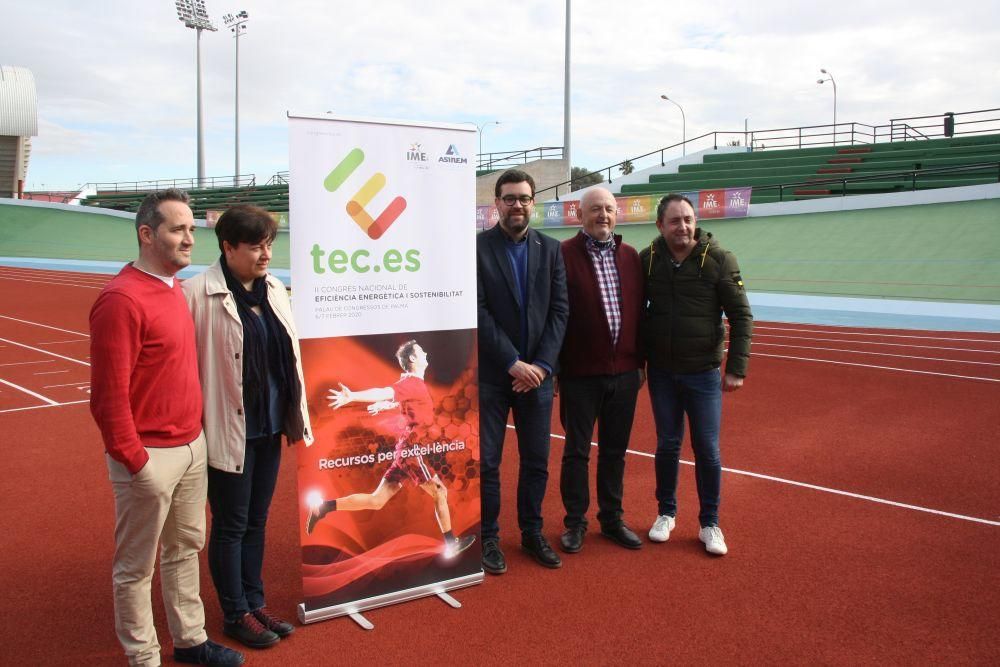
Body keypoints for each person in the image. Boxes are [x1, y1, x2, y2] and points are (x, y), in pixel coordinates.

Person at [89, 188, 243, 667]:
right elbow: (107, 398)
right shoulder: (120, 299)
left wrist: (197, 441)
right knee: (135, 568)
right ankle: (144, 657)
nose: (189, 239)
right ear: (146, 234)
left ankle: (191, 642)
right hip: (149, 456)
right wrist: (135, 461)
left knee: (183, 551)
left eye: (190, 229)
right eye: (178, 229)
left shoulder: (174, 289)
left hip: (191, 446)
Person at [182, 205, 313, 650]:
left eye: (269, 244)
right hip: (228, 430)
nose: (265, 254)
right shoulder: (196, 295)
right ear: (227, 247)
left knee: (256, 521)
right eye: (255, 246)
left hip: (270, 426)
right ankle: (234, 612)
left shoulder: (275, 289)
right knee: (232, 523)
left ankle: (255, 603)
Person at [640, 194, 753, 556]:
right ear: (661, 225)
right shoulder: (649, 260)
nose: (683, 227)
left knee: (707, 448)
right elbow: (636, 313)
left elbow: (741, 316)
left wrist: (735, 368)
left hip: (703, 373)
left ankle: (710, 523)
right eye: (675, 221)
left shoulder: (719, 259)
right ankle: (666, 513)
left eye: (688, 219)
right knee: (667, 445)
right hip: (662, 373)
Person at [305, 340, 476, 560]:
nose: (425, 352)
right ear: (413, 359)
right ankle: (451, 544)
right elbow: (384, 391)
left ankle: (324, 507)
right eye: (420, 351)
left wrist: (385, 405)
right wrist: (354, 396)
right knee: (439, 491)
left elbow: (401, 400)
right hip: (413, 449)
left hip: (405, 449)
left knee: (377, 500)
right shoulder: (412, 383)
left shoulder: (411, 383)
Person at [476, 169, 569, 573]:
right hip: (494, 377)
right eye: (509, 198)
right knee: (488, 464)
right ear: (496, 203)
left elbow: (559, 311)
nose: (517, 205)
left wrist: (543, 366)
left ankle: (532, 533)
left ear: (534, 203)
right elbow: (476, 311)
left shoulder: (552, 249)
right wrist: (512, 361)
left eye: (524, 198)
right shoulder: (475, 249)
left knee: (536, 462)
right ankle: (489, 538)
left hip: (538, 379)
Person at [557, 187, 644, 554]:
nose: (603, 215)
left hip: (624, 374)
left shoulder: (631, 257)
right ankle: (575, 522)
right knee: (577, 451)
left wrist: (639, 364)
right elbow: (555, 315)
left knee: (615, 451)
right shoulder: (561, 255)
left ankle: (611, 519)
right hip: (579, 375)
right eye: (595, 210)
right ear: (580, 214)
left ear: (617, 214)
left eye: (609, 209)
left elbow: (641, 314)